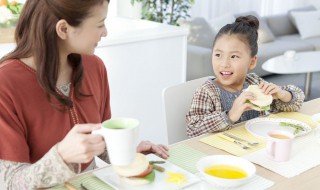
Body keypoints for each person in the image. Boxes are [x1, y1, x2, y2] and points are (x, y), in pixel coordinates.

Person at [0, 0, 169, 189]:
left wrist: (126, 153)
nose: (105, 32)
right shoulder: (5, 84)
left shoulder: (95, 67)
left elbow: (99, 141)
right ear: (63, 29)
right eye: (99, 24)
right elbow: (10, 183)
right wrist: (61, 157)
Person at [186, 15, 305, 138]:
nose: (224, 64)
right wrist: (230, 115)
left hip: (255, 147)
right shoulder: (207, 91)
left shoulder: (254, 82)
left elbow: (298, 100)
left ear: (252, 62)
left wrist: (283, 95)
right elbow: (193, 130)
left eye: (234, 56)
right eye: (218, 55)